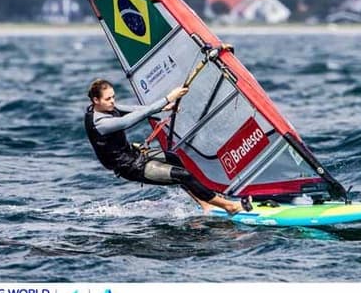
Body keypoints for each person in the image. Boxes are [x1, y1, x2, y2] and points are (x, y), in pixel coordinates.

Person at [84, 78, 251, 215]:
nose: (113, 101)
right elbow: (130, 119)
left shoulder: (107, 107)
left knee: (174, 158)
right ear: (95, 100)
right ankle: (230, 207)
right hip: (130, 167)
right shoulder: (99, 123)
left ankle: (205, 203)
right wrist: (168, 98)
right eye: (108, 99)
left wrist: (163, 108)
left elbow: (134, 109)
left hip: (134, 154)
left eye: (113, 97)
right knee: (183, 175)